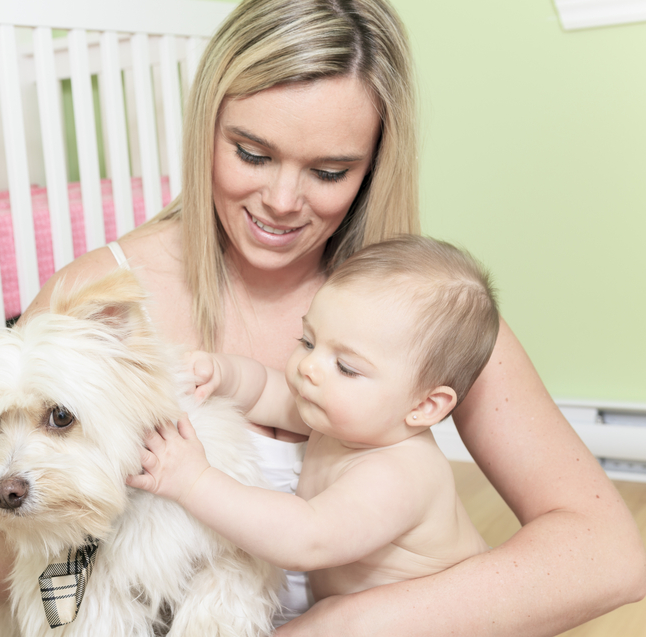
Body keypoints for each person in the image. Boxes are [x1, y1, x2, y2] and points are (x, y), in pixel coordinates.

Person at [0, 0, 646, 634]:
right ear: (206, 127)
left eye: (329, 169)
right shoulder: (102, 299)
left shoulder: (414, 312)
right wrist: (111, 549)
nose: (282, 201)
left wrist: (351, 623)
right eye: (253, 154)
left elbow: (605, 553)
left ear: (374, 166)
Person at [127, 236, 496, 607]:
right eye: (307, 341)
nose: (309, 366)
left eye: (346, 367)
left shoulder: (400, 474)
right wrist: (222, 374)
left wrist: (194, 482)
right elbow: (264, 392)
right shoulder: (346, 419)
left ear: (427, 404)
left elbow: (304, 537)